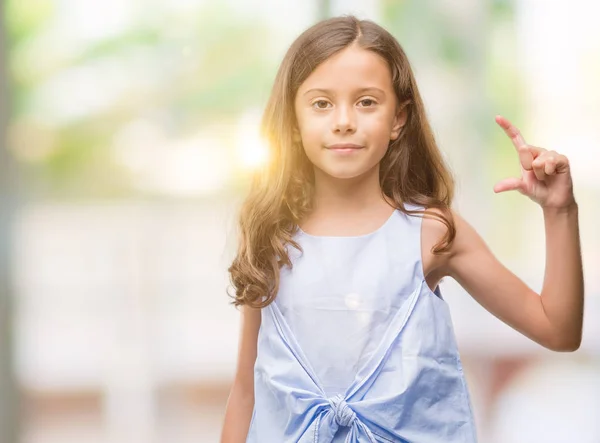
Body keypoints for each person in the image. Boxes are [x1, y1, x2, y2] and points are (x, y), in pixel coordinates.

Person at [219, 15, 584, 443]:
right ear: (294, 121)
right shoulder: (269, 236)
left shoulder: (432, 232)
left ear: (398, 119)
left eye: (367, 102)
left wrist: (561, 210)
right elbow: (246, 390)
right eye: (321, 104)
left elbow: (557, 330)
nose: (343, 121)